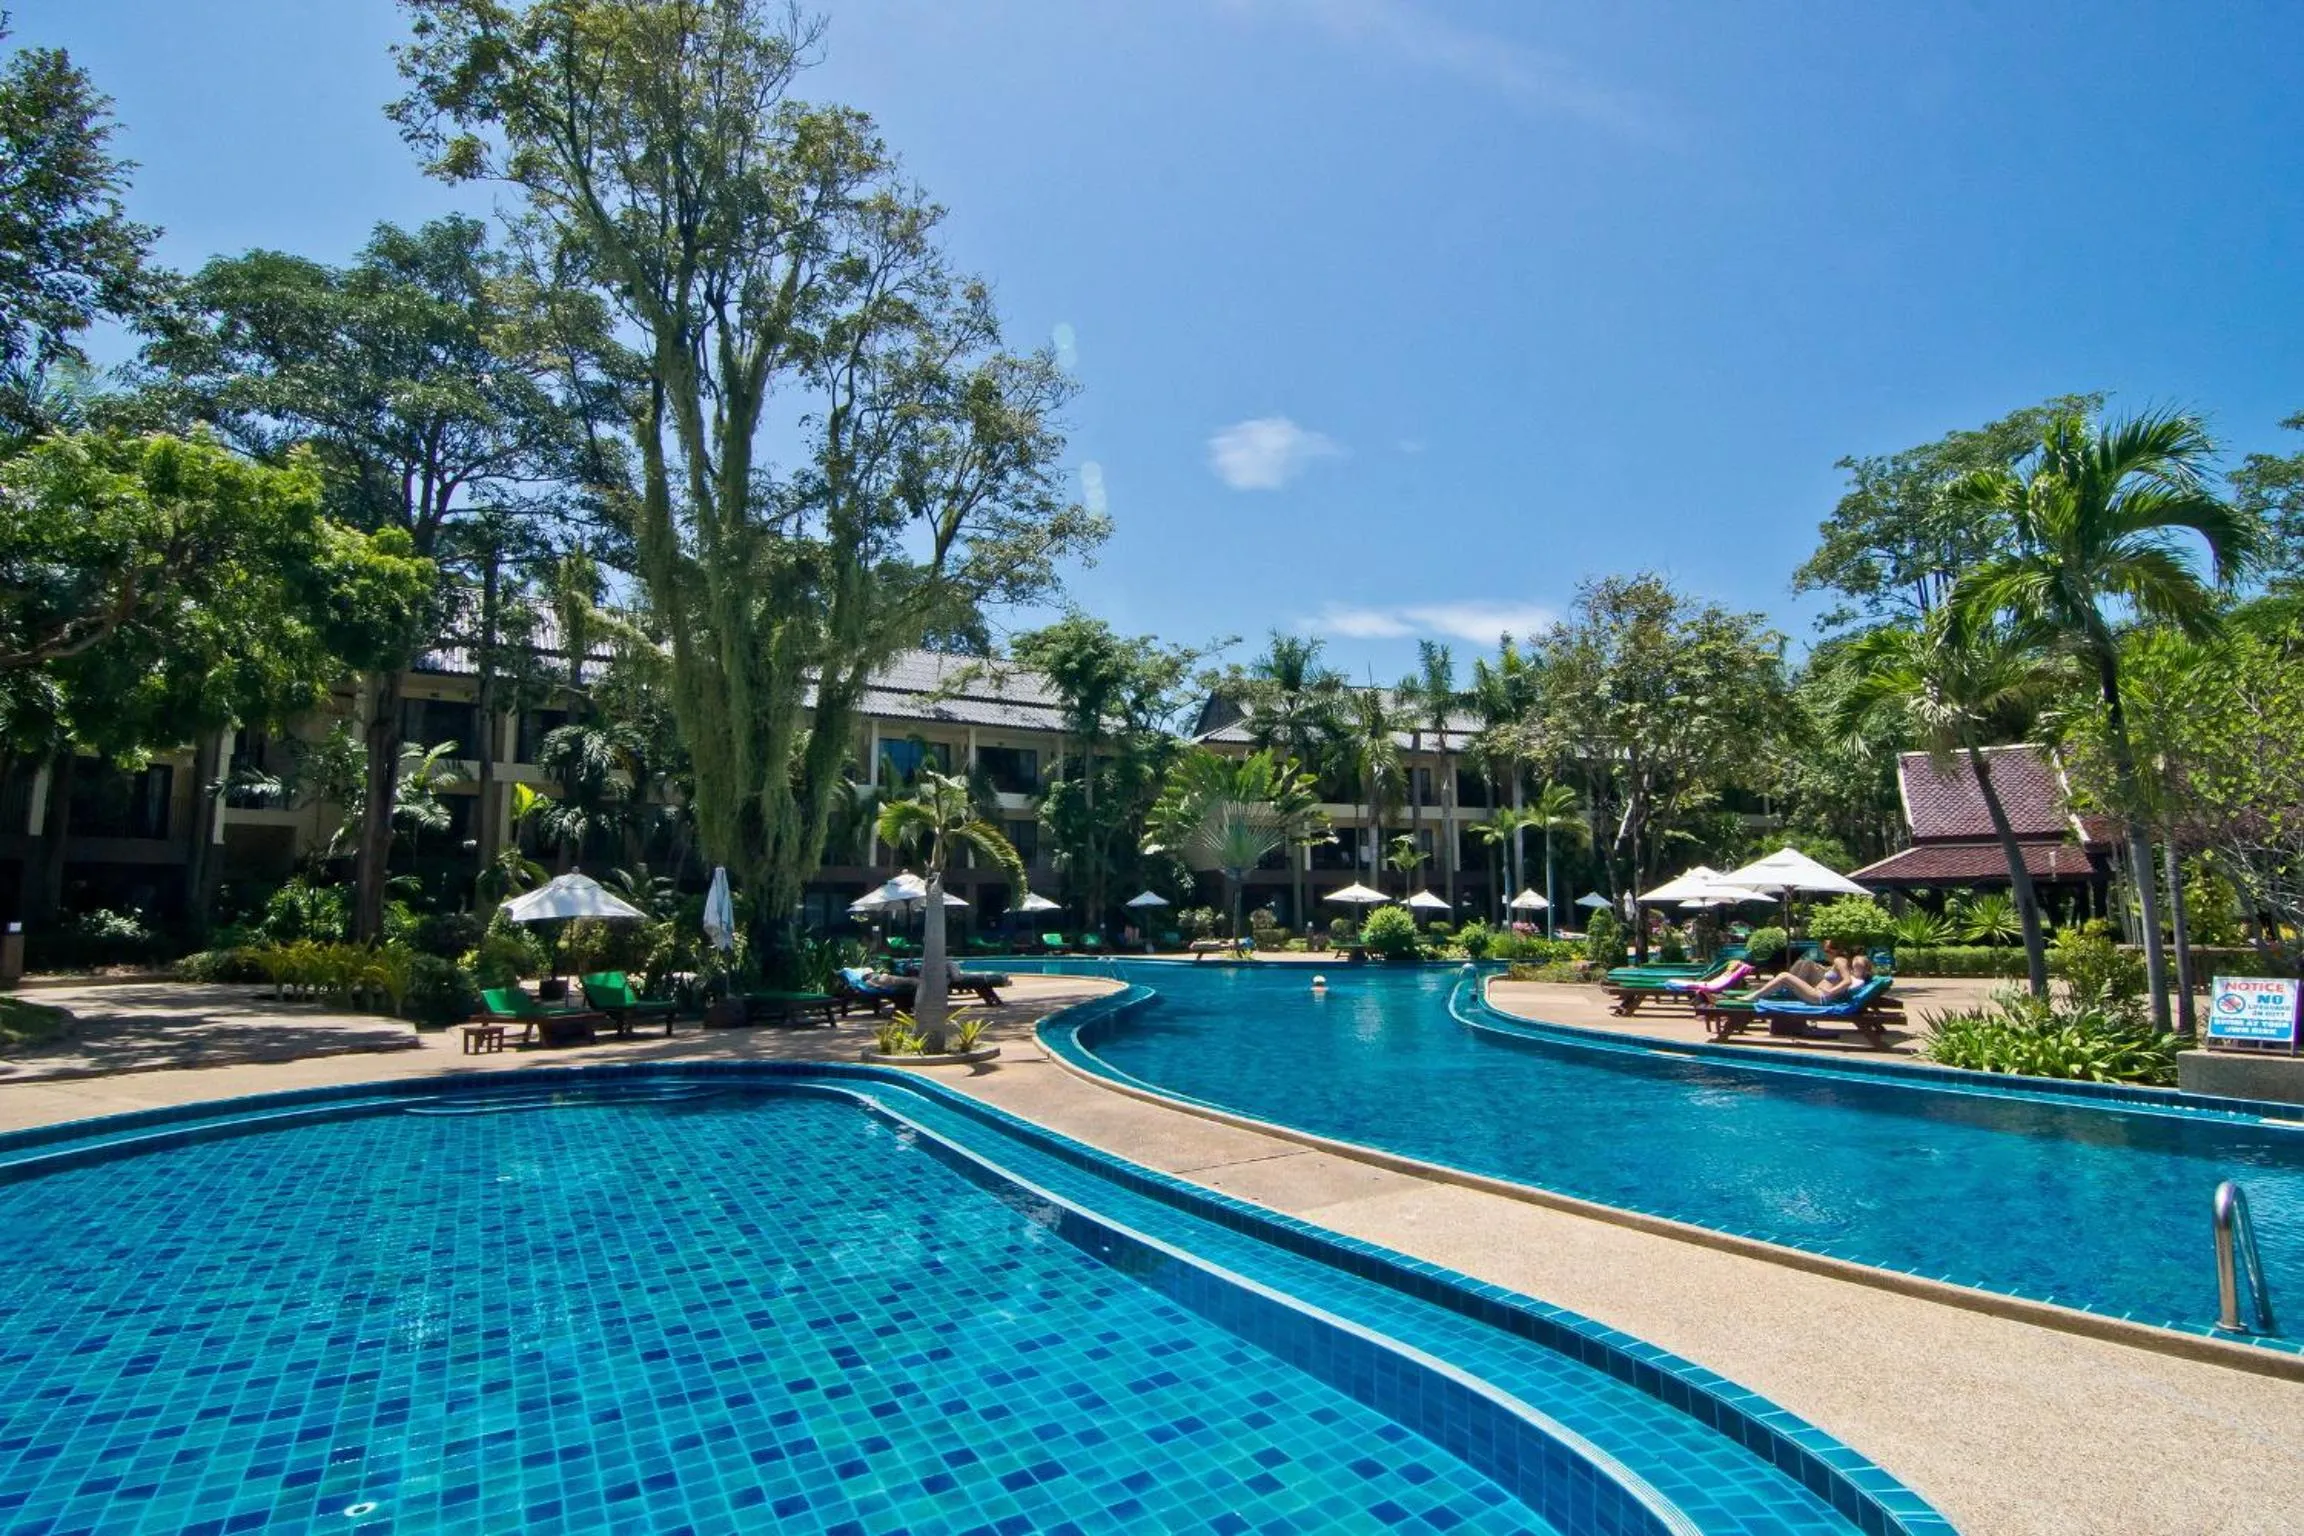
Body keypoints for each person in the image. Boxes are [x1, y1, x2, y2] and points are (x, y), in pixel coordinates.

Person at [1748, 940, 1870, 1005]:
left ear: (1833, 951)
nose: (1823, 953)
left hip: (1820, 997)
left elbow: (1847, 981)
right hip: (1817, 993)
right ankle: (1758, 994)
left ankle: (1755, 996)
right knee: (1790, 974)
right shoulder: (1838, 962)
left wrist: (1831, 991)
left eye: (1826, 950)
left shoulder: (1839, 960)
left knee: (1784, 976)